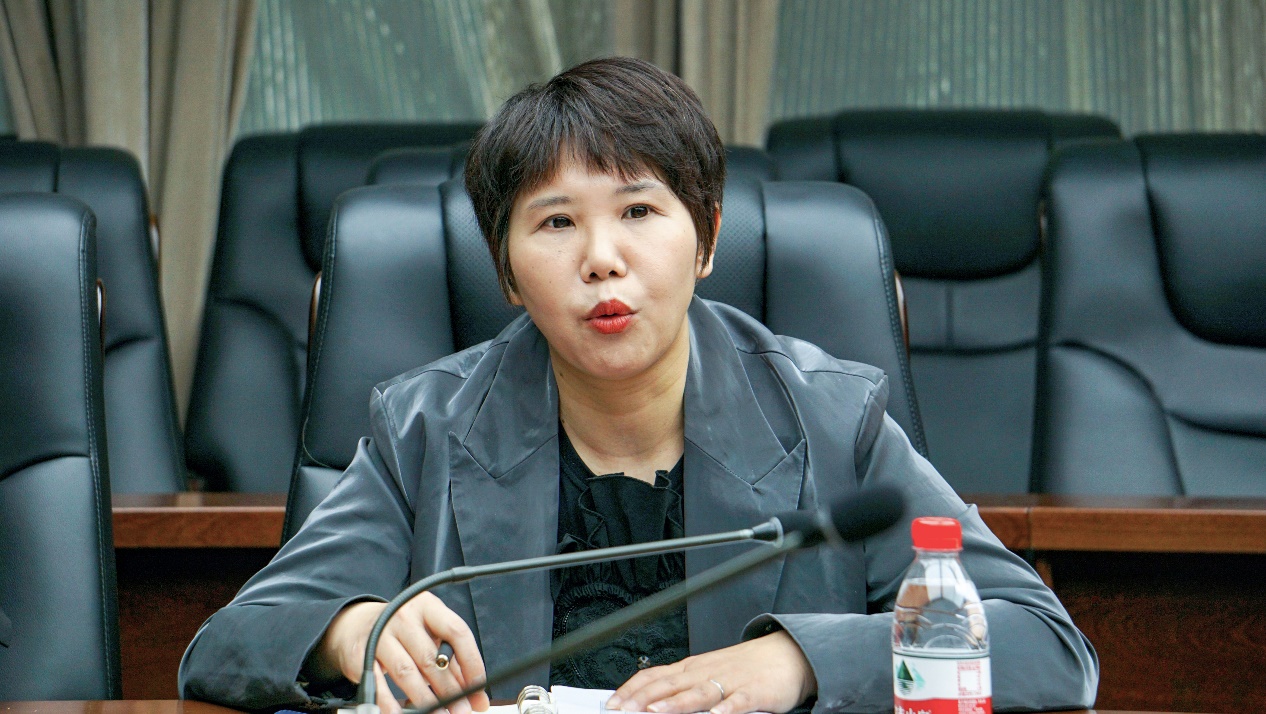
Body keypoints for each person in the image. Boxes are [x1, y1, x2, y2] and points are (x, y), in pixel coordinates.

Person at [179, 57, 1097, 714]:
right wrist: (353, 629)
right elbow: (227, 642)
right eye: (555, 223)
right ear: (506, 272)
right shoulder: (424, 425)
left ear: (706, 239)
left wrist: (800, 663)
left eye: (639, 210)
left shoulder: (829, 418)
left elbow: (1047, 647)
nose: (602, 259)